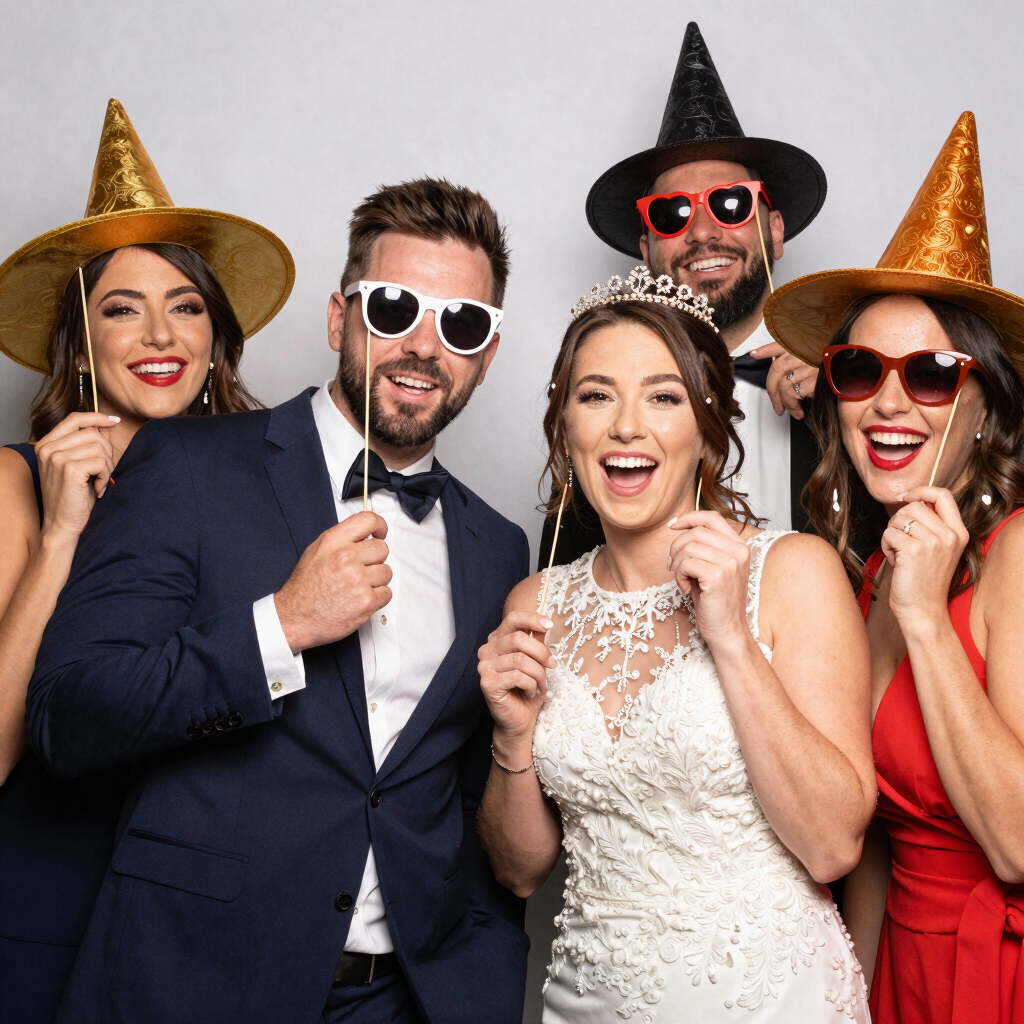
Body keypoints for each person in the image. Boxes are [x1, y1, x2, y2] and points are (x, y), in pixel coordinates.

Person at [27, 177, 530, 1024]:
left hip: (411, 999)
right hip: (198, 984)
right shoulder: (185, 465)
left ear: (485, 354)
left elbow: (467, 797)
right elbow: (67, 716)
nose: (422, 345)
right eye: (394, 307)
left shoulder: (499, 546)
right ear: (339, 319)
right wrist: (280, 626)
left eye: (462, 323)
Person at [477, 266, 875, 1021]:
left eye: (663, 397)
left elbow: (833, 847)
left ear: (706, 425)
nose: (628, 426)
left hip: (770, 1002)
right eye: (597, 396)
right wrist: (512, 737)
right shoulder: (537, 603)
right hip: (585, 1003)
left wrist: (727, 634)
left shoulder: (791, 571)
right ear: (568, 425)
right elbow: (520, 870)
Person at [0, 98, 292, 1023]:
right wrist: (56, 539)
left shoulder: (270, 492)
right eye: (124, 310)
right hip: (43, 911)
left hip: (209, 933)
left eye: (186, 308)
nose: (162, 338)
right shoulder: (12, 487)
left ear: (217, 339)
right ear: (81, 344)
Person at [764, 111, 1024, 1023]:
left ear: (986, 404)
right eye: (859, 368)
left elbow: (1020, 843)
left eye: (931, 374)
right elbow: (874, 842)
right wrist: (856, 1002)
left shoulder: (1019, 552)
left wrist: (925, 619)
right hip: (905, 980)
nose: (887, 403)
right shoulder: (872, 574)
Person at [541, 22, 825, 568]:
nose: (701, 233)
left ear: (776, 232)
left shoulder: (857, 388)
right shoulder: (601, 413)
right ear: (646, 250)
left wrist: (845, 391)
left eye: (731, 205)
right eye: (674, 215)